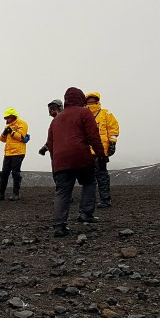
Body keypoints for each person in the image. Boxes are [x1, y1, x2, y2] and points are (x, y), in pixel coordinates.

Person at [45, 88, 107, 236]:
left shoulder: (56, 119)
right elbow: (94, 137)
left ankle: (59, 226)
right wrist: (101, 155)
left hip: (61, 161)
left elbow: (50, 144)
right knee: (89, 182)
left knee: (63, 191)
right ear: (81, 99)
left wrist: (55, 164)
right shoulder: (84, 113)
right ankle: (86, 213)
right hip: (81, 157)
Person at [85, 92, 119, 207]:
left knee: (101, 175)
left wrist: (112, 144)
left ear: (97, 100)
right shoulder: (84, 114)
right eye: (89, 100)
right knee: (93, 176)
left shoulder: (105, 113)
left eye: (92, 100)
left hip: (99, 151)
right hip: (90, 151)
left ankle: (104, 199)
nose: (91, 102)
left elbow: (113, 129)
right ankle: (97, 199)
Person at [0, 108, 29, 201]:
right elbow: (2, 140)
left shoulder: (22, 124)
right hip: (8, 152)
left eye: (8, 117)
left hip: (18, 152)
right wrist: (4, 133)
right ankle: (1, 194)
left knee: (15, 173)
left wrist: (11, 132)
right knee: (4, 173)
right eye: (6, 118)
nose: (7, 119)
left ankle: (15, 194)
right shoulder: (8, 126)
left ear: (13, 116)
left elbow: (21, 137)